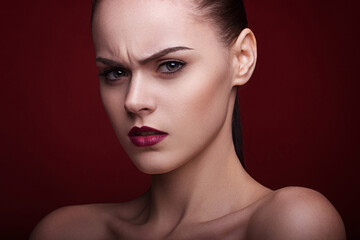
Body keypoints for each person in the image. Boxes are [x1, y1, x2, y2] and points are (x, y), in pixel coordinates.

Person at [30, 0, 346, 239]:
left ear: (241, 60)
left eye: (170, 65)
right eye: (116, 72)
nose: (134, 100)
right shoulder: (65, 232)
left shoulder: (292, 222)